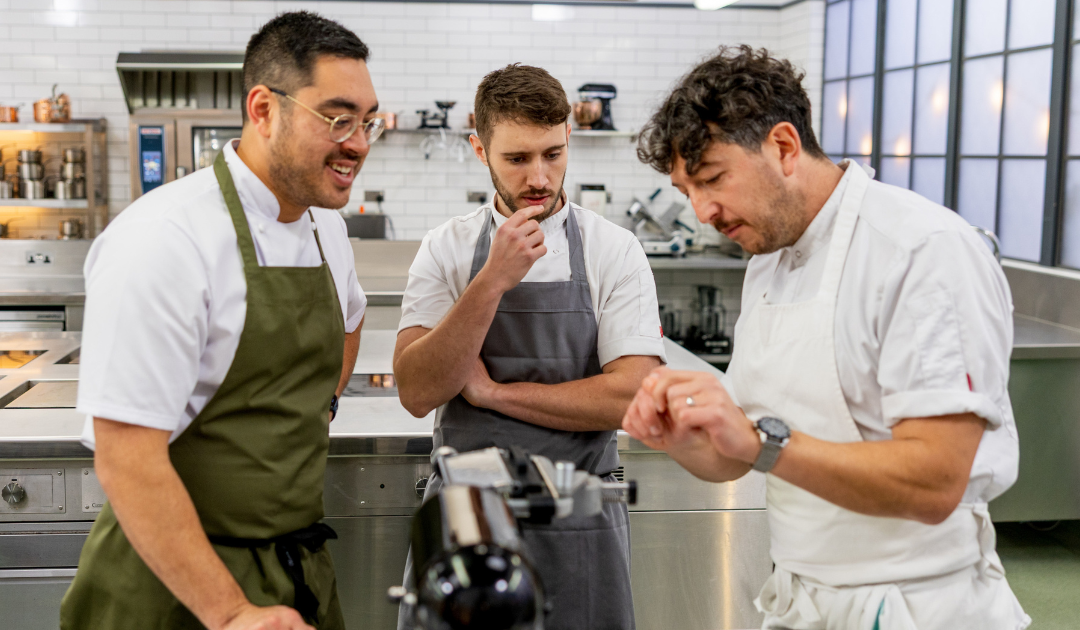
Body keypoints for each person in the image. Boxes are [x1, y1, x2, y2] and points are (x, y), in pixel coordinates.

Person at [623, 46, 1031, 630]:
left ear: (784, 148)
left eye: (712, 179)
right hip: (803, 597)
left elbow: (935, 481)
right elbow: (738, 454)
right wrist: (681, 438)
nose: (703, 211)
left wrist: (762, 443)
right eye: (689, 192)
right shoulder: (769, 256)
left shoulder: (920, 250)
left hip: (916, 603)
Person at [60, 12, 382, 630]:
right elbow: (126, 457)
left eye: (368, 122)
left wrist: (319, 405)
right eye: (338, 119)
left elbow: (350, 320)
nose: (359, 143)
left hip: (295, 571)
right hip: (176, 588)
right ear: (264, 109)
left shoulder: (328, 230)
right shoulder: (164, 238)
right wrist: (231, 613)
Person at [392, 64, 665, 630]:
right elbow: (418, 391)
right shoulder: (445, 249)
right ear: (479, 149)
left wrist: (495, 395)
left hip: (580, 512)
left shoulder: (614, 250)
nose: (539, 177)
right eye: (517, 159)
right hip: (469, 515)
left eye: (553, 154)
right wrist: (491, 280)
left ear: (569, 139)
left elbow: (629, 396)